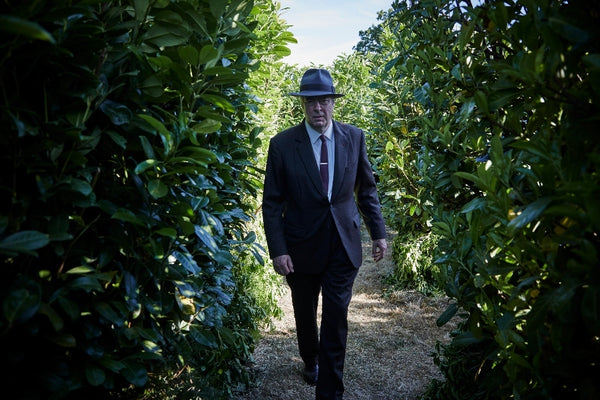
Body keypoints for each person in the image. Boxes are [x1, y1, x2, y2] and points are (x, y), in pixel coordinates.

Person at [262, 68, 388, 400]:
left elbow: (367, 190)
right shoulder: (282, 145)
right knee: (305, 311)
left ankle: (330, 391)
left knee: (335, 317)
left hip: (342, 245)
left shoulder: (354, 138)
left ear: (333, 103)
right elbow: (272, 203)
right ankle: (310, 357)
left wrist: (378, 233)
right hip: (300, 246)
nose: (318, 108)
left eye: (324, 101)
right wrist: (278, 249)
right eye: (311, 102)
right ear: (302, 105)